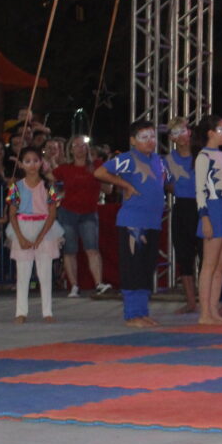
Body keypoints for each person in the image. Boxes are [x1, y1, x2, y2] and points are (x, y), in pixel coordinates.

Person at [94, 121, 168, 328]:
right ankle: (132, 314)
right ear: (133, 141)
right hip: (133, 222)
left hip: (153, 222)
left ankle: (142, 311)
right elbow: (99, 173)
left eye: (152, 136)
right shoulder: (128, 159)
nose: (150, 141)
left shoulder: (158, 160)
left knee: (146, 268)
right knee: (132, 268)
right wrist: (125, 184)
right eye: (144, 137)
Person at [6, 146, 61, 323]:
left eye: (35, 161)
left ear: (41, 163)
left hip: (45, 228)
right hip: (22, 227)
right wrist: (20, 237)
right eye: (27, 161)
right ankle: (21, 312)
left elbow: (52, 213)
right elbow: (12, 213)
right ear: (21, 164)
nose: (32, 165)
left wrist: (41, 236)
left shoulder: (48, 186)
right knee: (23, 273)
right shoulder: (16, 187)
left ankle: (48, 312)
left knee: (45, 273)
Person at [193, 115, 222, 325]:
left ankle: (214, 310)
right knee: (209, 265)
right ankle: (205, 313)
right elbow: (200, 190)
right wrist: (205, 218)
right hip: (213, 207)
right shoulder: (203, 157)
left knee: (221, 266)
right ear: (210, 133)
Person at [54, 136, 111, 298]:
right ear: (70, 150)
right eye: (76, 145)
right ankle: (74, 286)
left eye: (83, 145)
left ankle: (99, 283)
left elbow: (108, 190)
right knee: (70, 250)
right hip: (67, 212)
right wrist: (54, 199)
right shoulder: (64, 168)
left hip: (89, 212)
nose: (80, 148)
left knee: (92, 248)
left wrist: (102, 177)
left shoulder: (96, 166)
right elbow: (50, 181)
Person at [164, 118, 198, 314]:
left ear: (189, 132)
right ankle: (191, 301)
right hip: (182, 207)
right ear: (171, 138)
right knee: (184, 257)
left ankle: (209, 299)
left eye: (183, 131)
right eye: (176, 133)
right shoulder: (168, 160)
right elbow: (167, 184)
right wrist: (177, 188)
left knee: (207, 254)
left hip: (202, 206)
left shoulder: (200, 155)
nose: (181, 136)